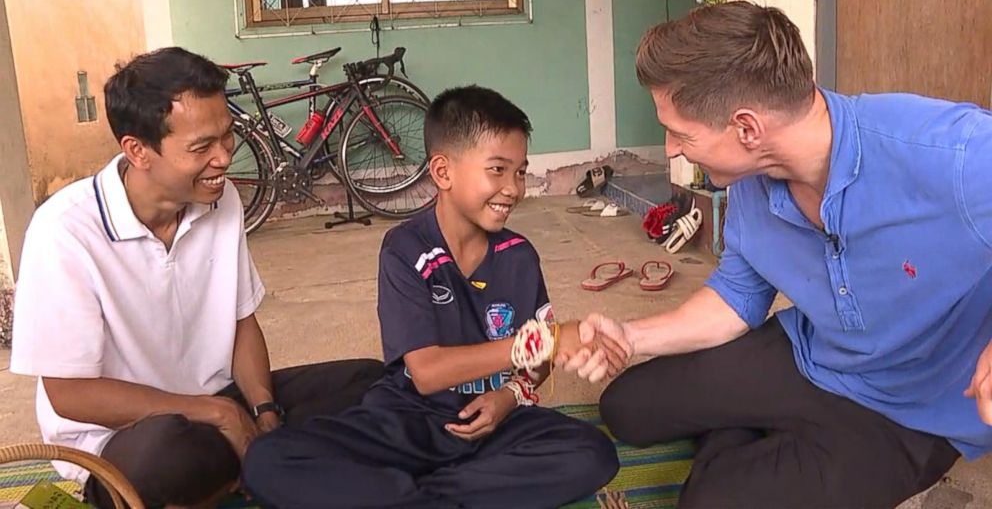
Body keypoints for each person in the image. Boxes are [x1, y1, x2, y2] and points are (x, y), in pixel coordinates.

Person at [559, 0, 992, 508]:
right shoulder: (751, 181)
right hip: (812, 355)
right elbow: (736, 296)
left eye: (681, 133)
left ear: (746, 128)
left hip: (911, 410)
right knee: (626, 408)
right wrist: (630, 337)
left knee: (708, 503)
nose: (671, 149)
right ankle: (768, 438)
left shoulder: (952, 154)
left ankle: (756, 453)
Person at [10, 47, 383, 508]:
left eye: (227, 136)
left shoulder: (221, 200)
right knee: (168, 458)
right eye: (201, 147)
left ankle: (247, 467)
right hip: (125, 437)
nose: (223, 158)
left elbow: (241, 322)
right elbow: (70, 395)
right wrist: (217, 413)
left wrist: (264, 410)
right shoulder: (65, 230)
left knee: (372, 383)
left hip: (217, 403)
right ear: (138, 151)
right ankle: (262, 466)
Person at [242, 85, 621, 508]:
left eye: (520, 172)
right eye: (497, 170)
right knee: (268, 459)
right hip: (409, 420)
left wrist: (510, 397)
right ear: (443, 172)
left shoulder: (520, 256)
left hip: (492, 426)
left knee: (592, 452)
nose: (514, 188)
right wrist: (544, 341)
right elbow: (426, 372)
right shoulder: (405, 250)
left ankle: (417, 497)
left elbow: (539, 362)